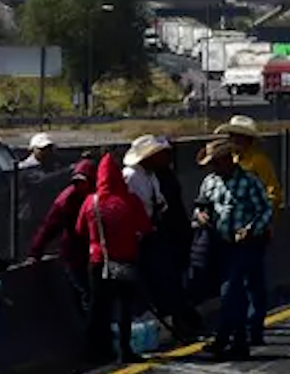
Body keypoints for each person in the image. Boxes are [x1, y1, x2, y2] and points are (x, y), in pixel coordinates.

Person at [193, 138, 273, 361]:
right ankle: (239, 342)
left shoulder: (249, 182)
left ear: (228, 160)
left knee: (232, 290)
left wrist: (251, 228)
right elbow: (201, 205)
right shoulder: (210, 182)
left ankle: (223, 338)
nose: (214, 168)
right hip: (218, 244)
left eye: (217, 162)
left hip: (244, 245)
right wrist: (200, 215)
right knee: (231, 294)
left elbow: (265, 210)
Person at [75, 153, 153, 362]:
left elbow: (80, 229)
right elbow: (145, 227)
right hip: (125, 261)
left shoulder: (91, 202)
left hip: (98, 261)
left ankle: (96, 351)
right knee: (125, 308)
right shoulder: (129, 201)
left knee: (98, 308)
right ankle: (125, 350)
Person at [123, 134, 202, 341]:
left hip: (156, 231)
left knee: (168, 280)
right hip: (140, 236)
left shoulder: (152, 175)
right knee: (152, 283)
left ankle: (177, 324)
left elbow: (161, 201)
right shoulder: (132, 176)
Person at [213, 115, 281, 345]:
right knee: (241, 282)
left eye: (236, 137)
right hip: (232, 233)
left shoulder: (258, 162)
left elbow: (272, 195)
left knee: (252, 282)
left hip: (254, 231)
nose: (232, 141)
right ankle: (241, 328)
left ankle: (253, 327)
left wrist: (259, 224)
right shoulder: (231, 161)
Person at [27, 158, 99, 313]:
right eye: (77, 181)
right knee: (86, 292)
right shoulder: (66, 200)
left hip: (97, 252)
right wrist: (35, 251)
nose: (80, 185)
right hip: (75, 253)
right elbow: (49, 226)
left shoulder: (99, 196)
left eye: (84, 181)